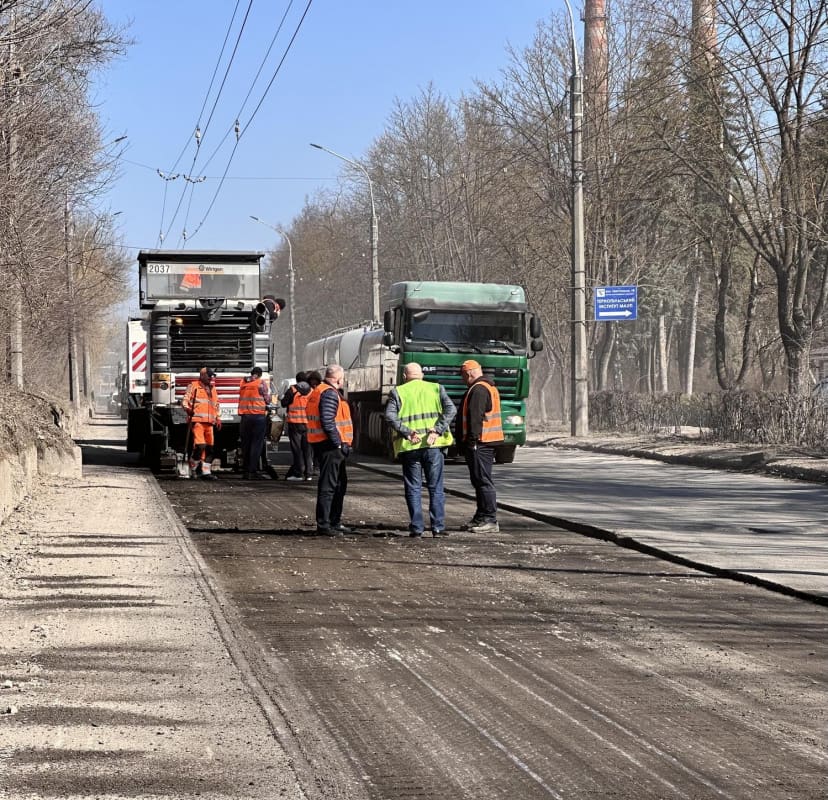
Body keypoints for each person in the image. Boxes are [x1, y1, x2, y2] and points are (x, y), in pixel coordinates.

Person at [385, 362, 456, 538]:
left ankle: (417, 528)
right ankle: (438, 527)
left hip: (410, 447)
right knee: (436, 488)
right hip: (433, 446)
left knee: (413, 488)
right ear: (422, 375)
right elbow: (451, 409)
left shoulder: (398, 392)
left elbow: (389, 416)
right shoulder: (436, 388)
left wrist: (407, 432)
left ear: (404, 377)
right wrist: (438, 429)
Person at [456, 360, 503, 532]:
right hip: (484, 441)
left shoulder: (479, 390)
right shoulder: (485, 387)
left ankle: (489, 519)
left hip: (481, 442)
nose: (462, 379)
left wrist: (471, 441)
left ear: (469, 373)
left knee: (483, 481)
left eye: (462, 375)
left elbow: (475, 417)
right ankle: (481, 516)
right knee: (479, 480)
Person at [306, 364, 353, 537]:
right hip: (330, 446)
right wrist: (338, 443)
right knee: (329, 485)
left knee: (338, 484)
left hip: (325, 445)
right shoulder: (329, 393)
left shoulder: (320, 391)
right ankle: (325, 524)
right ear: (338, 379)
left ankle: (333, 521)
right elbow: (327, 420)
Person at [182, 367, 221, 480]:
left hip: (209, 423)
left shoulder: (212, 389)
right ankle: (193, 468)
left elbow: (216, 405)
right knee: (200, 446)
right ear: (202, 375)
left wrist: (218, 418)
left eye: (212, 376)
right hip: (197, 421)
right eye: (209, 376)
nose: (211, 378)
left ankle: (206, 472)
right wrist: (188, 409)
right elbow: (185, 400)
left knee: (209, 448)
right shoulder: (193, 386)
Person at [238, 366, 272, 479]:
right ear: (260, 375)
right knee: (256, 444)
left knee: (246, 445)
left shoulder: (243, 382)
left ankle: (246, 470)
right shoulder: (261, 383)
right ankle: (252, 471)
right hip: (258, 417)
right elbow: (267, 399)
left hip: (245, 417)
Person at [282, 372, 313, 481]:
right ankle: (309, 474)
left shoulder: (292, 390)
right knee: (307, 449)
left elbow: (283, 403)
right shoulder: (312, 391)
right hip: (308, 424)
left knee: (297, 450)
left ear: (297, 380)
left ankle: (298, 473)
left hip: (295, 424)